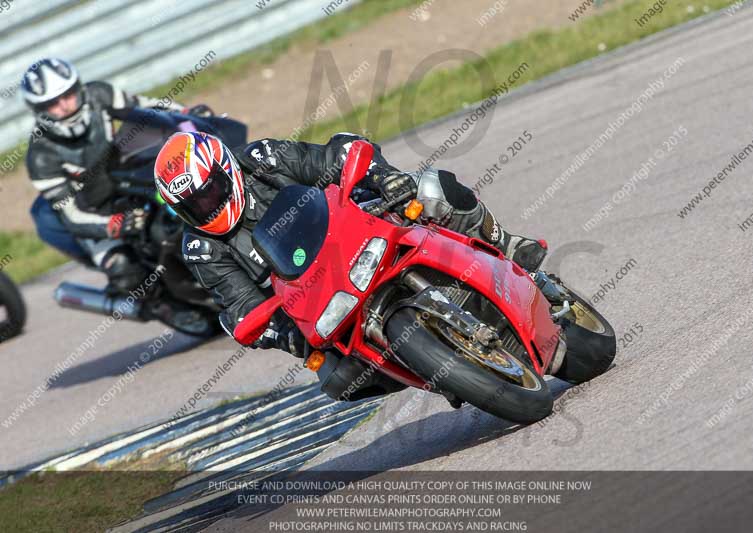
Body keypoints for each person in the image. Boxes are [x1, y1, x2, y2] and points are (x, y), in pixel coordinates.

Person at [153, 131, 547, 352]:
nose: (206, 207)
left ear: (226, 169)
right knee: (334, 374)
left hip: (357, 226)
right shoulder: (201, 247)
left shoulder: (264, 158)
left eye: (208, 193)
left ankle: (504, 244)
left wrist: (382, 176)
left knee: (428, 187)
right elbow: (242, 306)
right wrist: (279, 332)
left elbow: (336, 154)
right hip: (316, 295)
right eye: (192, 206)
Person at [21, 57, 188, 294]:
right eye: (53, 103)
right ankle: (171, 309)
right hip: (96, 212)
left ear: (79, 88)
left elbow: (149, 108)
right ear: (39, 111)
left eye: (68, 94)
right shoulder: (40, 155)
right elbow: (71, 217)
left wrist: (187, 114)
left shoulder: (99, 94)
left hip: (132, 181)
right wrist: (114, 225)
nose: (65, 105)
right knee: (125, 272)